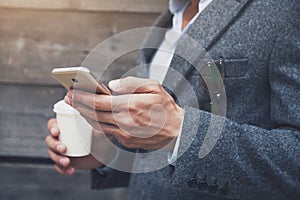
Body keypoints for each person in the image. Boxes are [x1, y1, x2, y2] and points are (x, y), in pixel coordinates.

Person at [45, 0, 300, 199]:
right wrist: (107, 153)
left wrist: (182, 132)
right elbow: (158, 149)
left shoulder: (286, 10)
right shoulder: (168, 21)